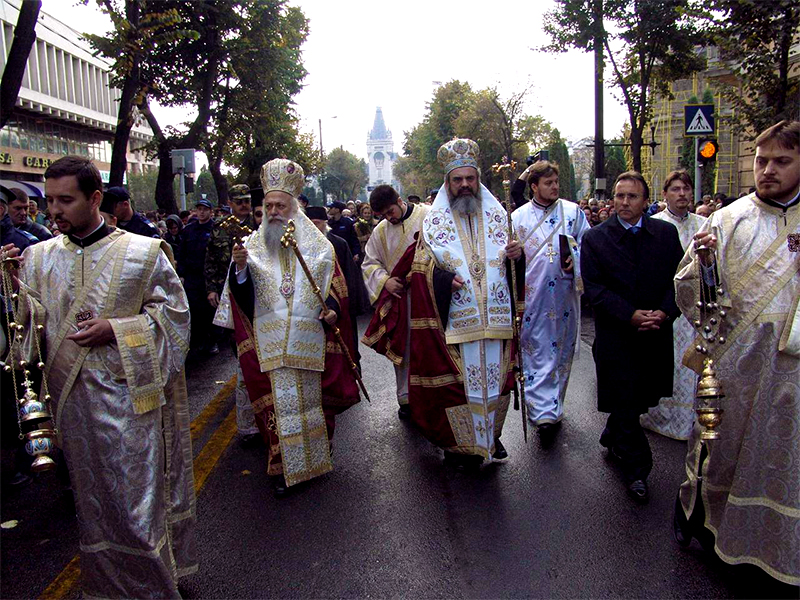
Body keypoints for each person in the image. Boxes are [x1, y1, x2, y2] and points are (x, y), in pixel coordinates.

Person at [3, 155, 196, 598]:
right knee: (91, 505)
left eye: (65, 200)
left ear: (94, 198)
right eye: (49, 200)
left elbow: (175, 319)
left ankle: (152, 588)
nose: (53, 211)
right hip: (71, 402)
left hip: (131, 400)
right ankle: (108, 588)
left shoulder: (144, 253)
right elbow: (29, 330)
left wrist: (117, 328)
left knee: (136, 503)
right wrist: (11, 286)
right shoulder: (36, 257)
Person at [672, 120, 800, 585]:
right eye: (761, 160)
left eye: (781, 162)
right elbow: (693, 295)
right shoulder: (728, 220)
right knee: (725, 449)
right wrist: (703, 266)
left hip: (793, 373)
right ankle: (711, 528)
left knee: (784, 456)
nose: (767, 170)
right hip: (737, 366)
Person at [213, 158, 360, 496]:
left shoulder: (319, 246)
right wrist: (240, 271)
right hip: (270, 341)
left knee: (313, 403)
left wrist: (333, 311)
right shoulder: (249, 247)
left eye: (281, 205)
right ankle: (285, 468)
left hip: (310, 339)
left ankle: (317, 454)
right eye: (269, 205)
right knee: (277, 407)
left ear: (295, 207)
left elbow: (336, 287)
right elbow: (241, 297)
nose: (275, 210)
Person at [403, 138, 523, 466]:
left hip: (495, 324)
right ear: (448, 182)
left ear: (478, 179)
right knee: (462, 386)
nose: (465, 185)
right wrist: (443, 280)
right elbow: (420, 270)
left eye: (470, 178)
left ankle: (490, 438)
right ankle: (463, 444)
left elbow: (513, 266)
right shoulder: (434, 222)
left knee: (494, 384)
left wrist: (517, 255)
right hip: (456, 321)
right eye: (458, 180)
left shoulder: (499, 217)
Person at [580, 170, 684, 502]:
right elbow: (595, 288)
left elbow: (680, 280)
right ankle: (638, 470)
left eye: (632, 196)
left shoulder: (665, 235)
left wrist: (665, 312)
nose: (624, 202)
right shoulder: (596, 238)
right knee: (624, 397)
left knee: (640, 399)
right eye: (619, 196)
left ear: (646, 201)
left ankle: (613, 433)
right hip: (617, 336)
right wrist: (629, 314)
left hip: (655, 333)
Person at [511, 161, 590, 438]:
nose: (554, 186)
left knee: (559, 353)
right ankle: (541, 412)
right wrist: (513, 256)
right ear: (534, 186)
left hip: (564, 297)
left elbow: (589, 244)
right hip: (532, 298)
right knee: (536, 351)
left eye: (556, 182)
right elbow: (508, 263)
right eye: (548, 183)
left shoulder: (573, 212)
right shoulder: (518, 218)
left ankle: (554, 405)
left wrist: (575, 260)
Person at [640, 170, 707, 440]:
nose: (682, 194)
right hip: (664, 306)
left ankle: (694, 419)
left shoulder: (705, 224)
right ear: (665, 194)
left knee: (694, 361)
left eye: (686, 189)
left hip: (696, 309)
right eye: (676, 189)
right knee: (669, 361)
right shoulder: (652, 224)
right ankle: (660, 416)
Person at [361, 185, 430, 419]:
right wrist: (385, 281)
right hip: (402, 299)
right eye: (383, 215)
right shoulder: (380, 231)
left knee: (430, 345)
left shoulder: (427, 216)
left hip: (429, 295)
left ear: (400, 201)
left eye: (391, 211)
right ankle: (406, 397)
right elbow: (369, 263)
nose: (388, 218)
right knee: (404, 345)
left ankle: (432, 393)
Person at [307, 205, 367, 364]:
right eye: (310, 224)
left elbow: (351, 276)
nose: (314, 227)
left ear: (325, 224)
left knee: (349, 347)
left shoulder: (338, 244)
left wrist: (353, 306)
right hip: (315, 309)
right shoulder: (302, 248)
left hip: (342, 304)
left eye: (317, 223)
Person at [205, 184, 255, 311]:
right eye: (239, 202)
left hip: (250, 286)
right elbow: (210, 260)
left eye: (247, 201)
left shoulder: (257, 224)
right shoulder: (220, 226)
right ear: (230, 203)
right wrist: (211, 289)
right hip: (223, 287)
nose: (243, 205)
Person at [179, 199, 217, 357]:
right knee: (194, 309)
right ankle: (198, 341)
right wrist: (181, 274)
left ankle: (212, 340)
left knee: (210, 310)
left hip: (208, 275)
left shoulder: (215, 229)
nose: (201, 212)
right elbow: (181, 253)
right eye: (199, 209)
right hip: (192, 276)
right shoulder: (189, 230)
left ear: (210, 211)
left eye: (205, 209)